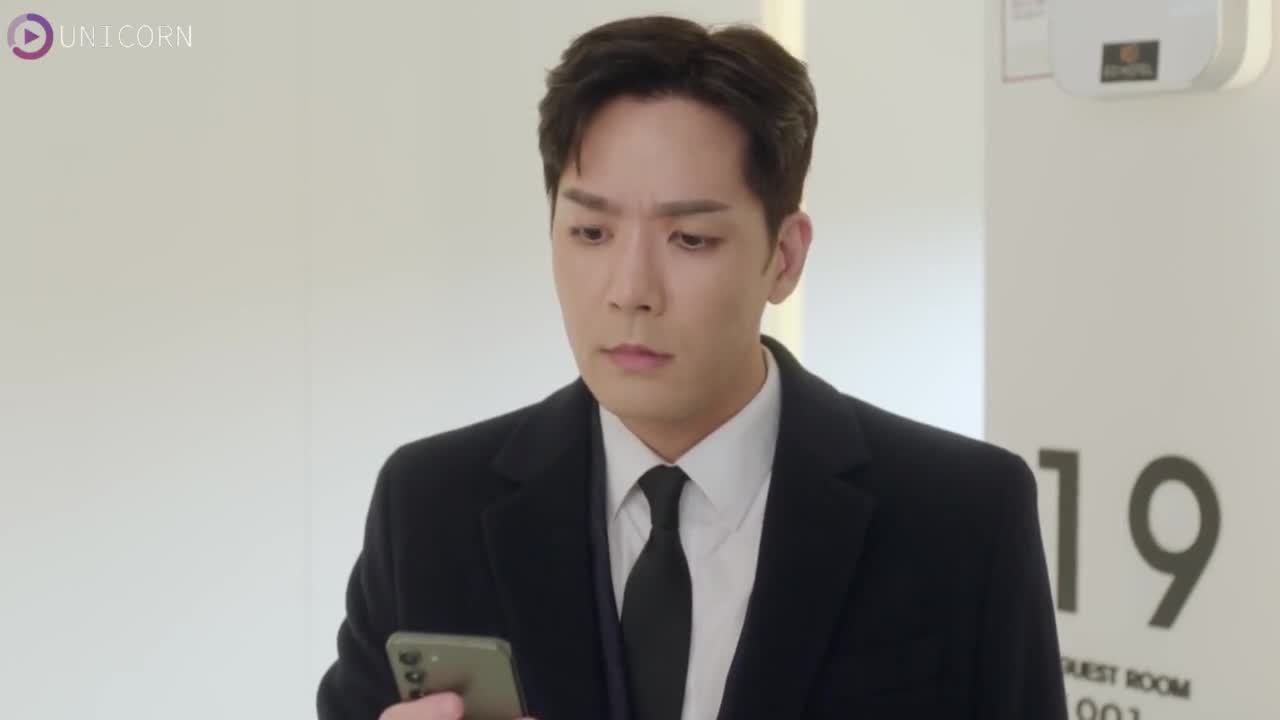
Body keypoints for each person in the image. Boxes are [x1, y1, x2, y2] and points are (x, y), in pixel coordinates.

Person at [316, 14, 1067, 720]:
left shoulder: (962, 517)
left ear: (785, 257)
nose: (631, 290)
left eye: (691, 240)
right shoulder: (430, 506)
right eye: (591, 231)